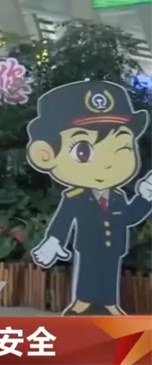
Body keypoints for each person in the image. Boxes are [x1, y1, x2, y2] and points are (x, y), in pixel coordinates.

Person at [26, 80, 152, 315]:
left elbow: (129, 217)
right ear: (45, 154)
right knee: (88, 272)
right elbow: (64, 220)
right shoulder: (75, 197)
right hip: (87, 245)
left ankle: (109, 303)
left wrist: (145, 197)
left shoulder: (117, 196)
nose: (108, 163)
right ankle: (82, 301)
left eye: (122, 147)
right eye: (83, 151)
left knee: (108, 273)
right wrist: (54, 241)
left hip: (114, 247)